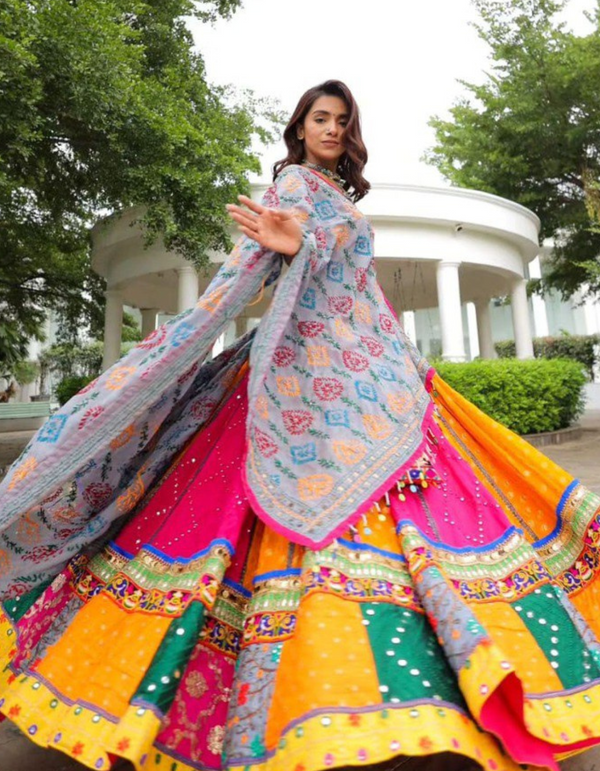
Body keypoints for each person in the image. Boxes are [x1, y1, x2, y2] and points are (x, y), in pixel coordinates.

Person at [0, 79, 598, 771]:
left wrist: (372, 327)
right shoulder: (292, 188)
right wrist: (276, 261)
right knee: (237, 515)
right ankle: (289, 699)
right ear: (299, 126)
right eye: (321, 118)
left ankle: (421, 691)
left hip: (372, 372)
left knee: (436, 510)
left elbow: (356, 286)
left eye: (343, 120)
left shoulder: (338, 197)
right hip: (296, 376)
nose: (333, 129)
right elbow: (243, 279)